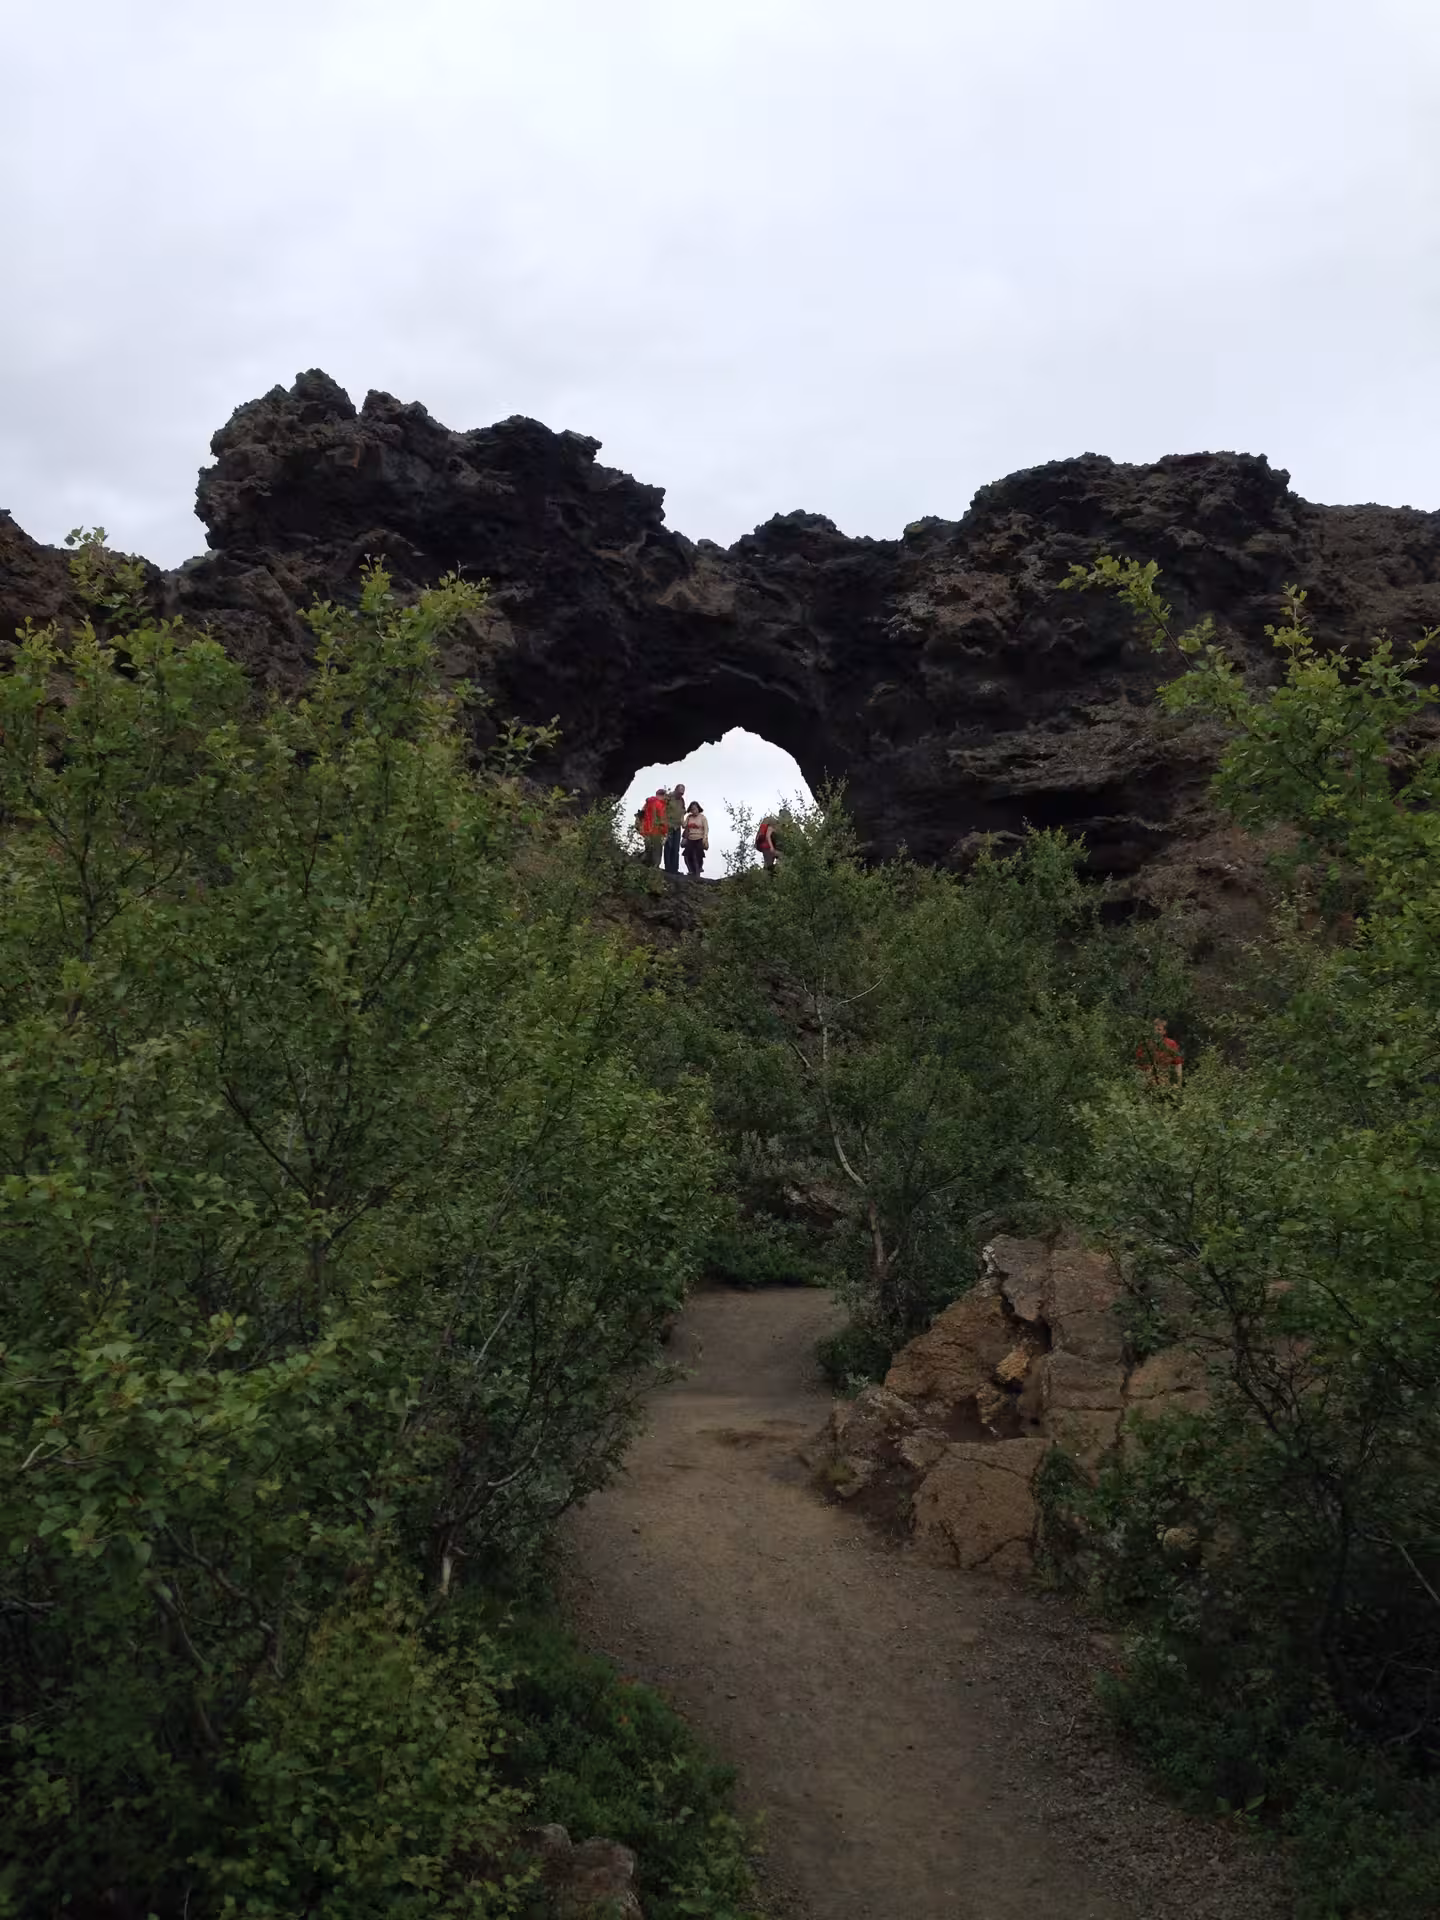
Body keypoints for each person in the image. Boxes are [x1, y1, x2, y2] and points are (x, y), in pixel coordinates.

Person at [1136, 1018, 1184, 1089]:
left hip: (1164, 1078)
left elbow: (1178, 1064)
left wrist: (1178, 1083)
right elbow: (1138, 1064)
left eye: (1159, 1030)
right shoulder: (1145, 1044)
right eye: (1154, 1030)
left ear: (1164, 1031)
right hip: (1147, 1079)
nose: (1156, 1032)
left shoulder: (1171, 1044)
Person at [636, 787, 668, 866]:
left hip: (646, 829)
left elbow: (641, 815)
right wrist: (665, 832)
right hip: (657, 830)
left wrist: (640, 827)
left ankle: (642, 864)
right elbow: (662, 819)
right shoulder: (660, 805)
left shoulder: (648, 803)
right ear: (662, 795)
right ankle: (654, 870)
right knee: (657, 852)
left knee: (648, 849)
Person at [663, 783, 686, 875]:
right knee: (668, 846)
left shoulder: (682, 800)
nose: (681, 795)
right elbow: (661, 809)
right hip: (668, 825)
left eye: (682, 793)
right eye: (680, 792)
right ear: (676, 790)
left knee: (676, 848)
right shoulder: (668, 797)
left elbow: (682, 812)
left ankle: (674, 869)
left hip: (677, 826)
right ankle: (668, 868)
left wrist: (682, 822)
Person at [682, 799, 709, 877]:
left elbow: (706, 828)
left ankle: (699, 869)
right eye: (692, 809)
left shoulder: (702, 817)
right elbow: (684, 825)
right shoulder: (689, 817)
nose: (694, 810)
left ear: (698, 808)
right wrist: (682, 816)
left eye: (695, 808)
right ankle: (691, 870)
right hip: (690, 838)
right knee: (687, 855)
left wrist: (705, 838)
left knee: (698, 855)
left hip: (699, 838)